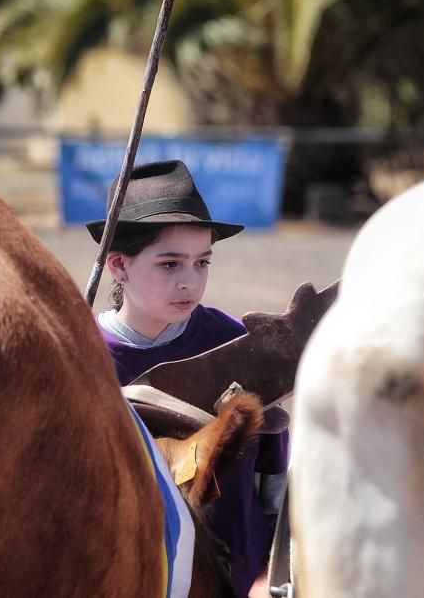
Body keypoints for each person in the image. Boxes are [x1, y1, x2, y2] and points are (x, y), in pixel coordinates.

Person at [86, 159, 288, 598]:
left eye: (202, 262)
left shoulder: (234, 342)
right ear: (118, 265)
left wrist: (268, 574)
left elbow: (275, 479)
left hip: (237, 578)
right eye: (170, 264)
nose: (190, 282)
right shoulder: (81, 355)